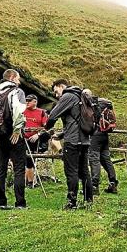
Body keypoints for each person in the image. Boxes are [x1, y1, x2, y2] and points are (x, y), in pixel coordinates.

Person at [45, 79, 93, 209]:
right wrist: (60, 135)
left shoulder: (67, 96)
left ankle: (72, 202)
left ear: (61, 86)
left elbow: (53, 115)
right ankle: (89, 200)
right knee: (84, 171)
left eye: (56, 91)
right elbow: (75, 120)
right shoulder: (80, 95)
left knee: (71, 171)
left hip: (73, 141)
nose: (56, 95)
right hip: (84, 140)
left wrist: (46, 128)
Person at [0, 69, 28, 210]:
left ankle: (1, 202)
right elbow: (19, 111)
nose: (19, 82)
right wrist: (17, 130)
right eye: (18, 78)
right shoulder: (17, 92)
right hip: (13, 135)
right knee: (19, 168)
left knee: (0, 169)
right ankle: (20, 203)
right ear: (12, 78)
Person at [84, 89, 118, 195]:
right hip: (104, 135)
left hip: (95, 135)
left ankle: (94, 186)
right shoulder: (103, 103)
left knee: (94, 160)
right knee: (106, 159)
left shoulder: (90, 104)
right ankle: (113, 183)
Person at [22, 94, 49, 187]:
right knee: (26, 160)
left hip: (36, 140)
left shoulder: (42, 112)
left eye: (29, 101)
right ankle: (29, 182)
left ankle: (30, 182)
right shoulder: (22, 111)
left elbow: (46, 127)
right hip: (23, 139)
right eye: (26, 100)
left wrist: (37, 135)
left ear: (35, 102)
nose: (27, 102)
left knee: (31, 159)